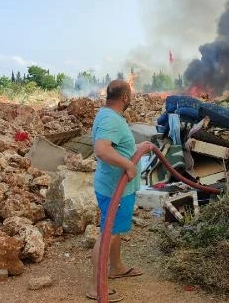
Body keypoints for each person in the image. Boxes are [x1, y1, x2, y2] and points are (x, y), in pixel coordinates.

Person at [86, 80, 143, 302]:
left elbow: (114, 146)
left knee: (114, 230)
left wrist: (133, 151)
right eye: (132, 96)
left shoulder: (107, 114)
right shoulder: (111, 118)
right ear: (125, 98)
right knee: (107, 233)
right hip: (113, 189)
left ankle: (116, 267)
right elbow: (102, 149)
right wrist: (129, 165)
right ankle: (95, 286)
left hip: (115, 187)